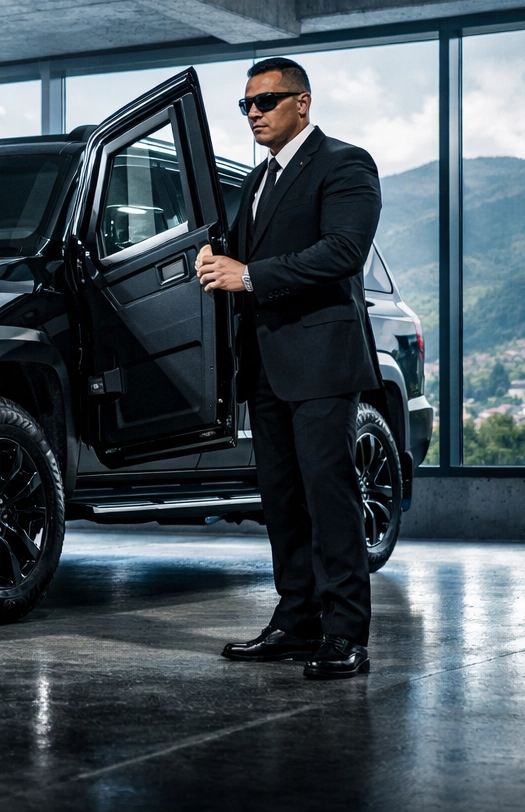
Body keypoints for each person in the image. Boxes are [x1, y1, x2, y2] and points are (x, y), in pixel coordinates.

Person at [195, 57, 382, 680]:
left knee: (330, 497)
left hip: (322, 361)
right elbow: (248, 258)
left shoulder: (346, 164)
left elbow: (343, 252)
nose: (253, 113)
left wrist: (247, 275)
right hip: (267, 365)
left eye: (266, 101)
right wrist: (216, 256)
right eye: (246, 104)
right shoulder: (255, 182)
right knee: (281, 499)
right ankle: (296, 621)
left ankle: (346, 634)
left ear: (303, 102)